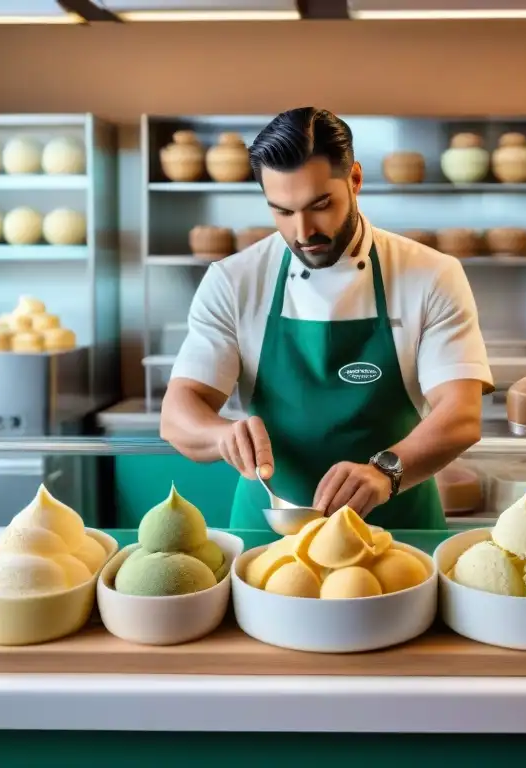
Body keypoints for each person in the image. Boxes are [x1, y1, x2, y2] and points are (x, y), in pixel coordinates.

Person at [161, 107, 492, 531]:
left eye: (320, 205)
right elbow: (178, 412)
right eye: (281, 211)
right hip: (271, 528)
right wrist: (220, 435)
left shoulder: (431, 275)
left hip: (397, 525)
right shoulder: (233, 281)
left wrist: (385, 471)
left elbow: (461, 416)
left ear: (354, 179)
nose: (303, 231)